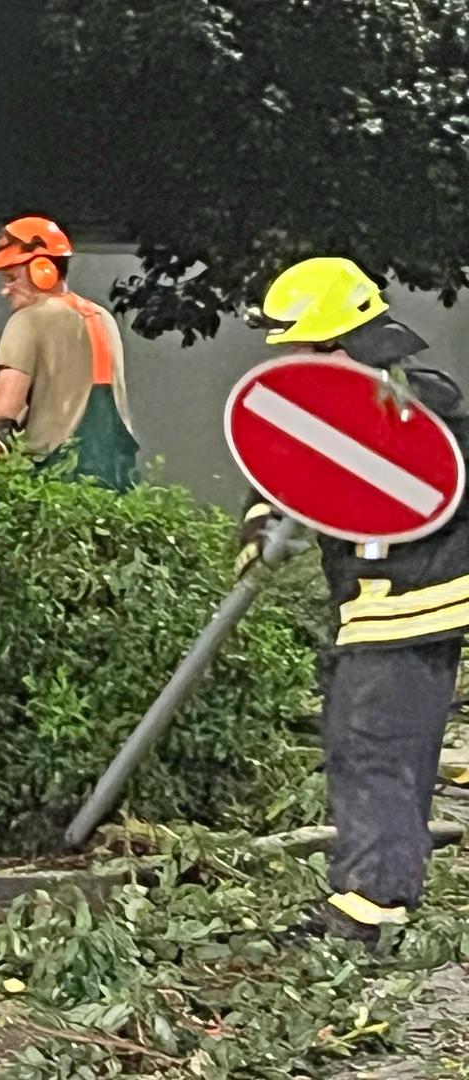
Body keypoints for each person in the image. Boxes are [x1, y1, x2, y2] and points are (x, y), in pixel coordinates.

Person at [238, 256, 469, 948]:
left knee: (373, 748)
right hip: (379, 604)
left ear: (339, 340)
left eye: (306, 347)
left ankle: (369, 910)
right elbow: (285, 466)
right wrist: (257, 524)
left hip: (409, 602)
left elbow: (401, 485)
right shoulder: (352, 400)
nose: (297, 362)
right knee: (366, 741)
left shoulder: (415, 405)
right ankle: (379, 895)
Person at [0, 215, 141, 491]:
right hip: (116, 477)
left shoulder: (29, 320)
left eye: (11, 278)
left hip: (57, 477)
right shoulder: (102, 318)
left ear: (43, 270)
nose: (5, 290)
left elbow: (5, 406)